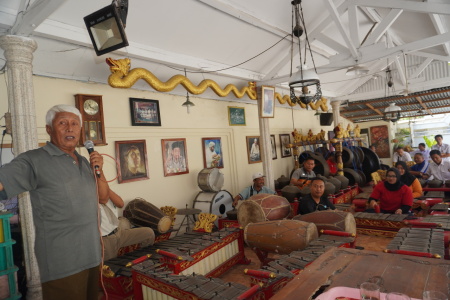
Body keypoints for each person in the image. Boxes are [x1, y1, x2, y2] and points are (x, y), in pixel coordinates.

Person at [0, 105, 109, 299]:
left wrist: (99, 170)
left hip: (92, 255)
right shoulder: (34, 160)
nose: (70, 128)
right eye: (62, 123)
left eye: (75, 124)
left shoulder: (84, 161)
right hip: (63, 262)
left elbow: (103, 197)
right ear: (49, 129)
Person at [100, 189, 155, 261]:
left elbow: (120, 204)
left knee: (149, 233)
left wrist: (105, 188)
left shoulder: (105, 191)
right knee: (110, 267)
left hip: (118, 233)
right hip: (105, 239)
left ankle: (143, 262)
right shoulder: (88, 197)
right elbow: (103, 200)